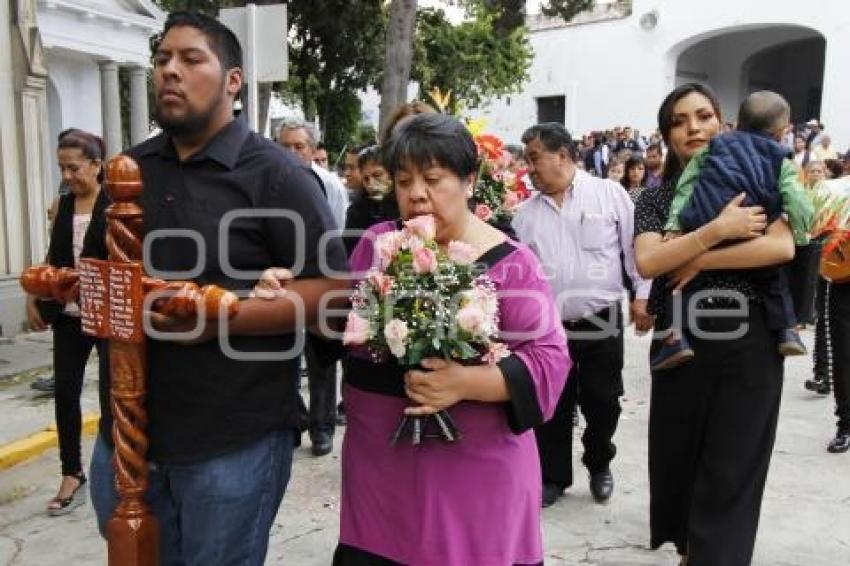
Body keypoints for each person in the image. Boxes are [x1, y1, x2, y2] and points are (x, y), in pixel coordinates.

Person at [93, 12, 349, 564]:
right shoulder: (126, 171)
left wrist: (222, 316)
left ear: (233, 81)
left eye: (190, 59)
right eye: (162, 59)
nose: (169, 72)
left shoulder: (275, 175)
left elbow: (333, 288)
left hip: (234, 439)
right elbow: (94, 275)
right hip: (126, 437)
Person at [327, 113, 570, 565]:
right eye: (403, 181)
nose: (416, 193)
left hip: (475, 480)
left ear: (470, 180)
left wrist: (464, 382)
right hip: (380, 473)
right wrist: (279, 288)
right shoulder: (378, 245)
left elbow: (550, 362)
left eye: (433, 179)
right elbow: (342, 324)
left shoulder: (513, 264)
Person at [634, 83, 795, 565]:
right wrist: (717, 231)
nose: (693, 128)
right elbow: (649, 262)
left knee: (732, 470)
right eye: (679, 121)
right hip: (679, 343)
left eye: (703, 116)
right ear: (666, 135)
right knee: (679, 463)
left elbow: (781, 247)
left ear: (722, 122)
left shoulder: (760, 173)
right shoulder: (655, 198)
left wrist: (698, 258)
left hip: (751, 341)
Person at [513, 122, 653, 508]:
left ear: (562, 155)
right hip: (548, 326)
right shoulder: (524, 216)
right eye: (526, 161)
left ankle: (599, 463)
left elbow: (634, 250)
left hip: (601, 317)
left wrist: (643, 295)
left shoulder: (609, 195)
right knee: (553, 403)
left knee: (603, 399)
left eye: (535, 159)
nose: (529, 169)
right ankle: (553, 476)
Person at [651, 91, 813, 370]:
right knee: (772, 280)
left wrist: (676, 225)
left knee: (681, 284)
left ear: (735, 122)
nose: (694, 128)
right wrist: (802, 232)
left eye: (704, 116)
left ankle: (675, 338)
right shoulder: (781, 160)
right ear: (783, 131)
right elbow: (797, 201)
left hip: (700, 218)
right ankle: (787, 329)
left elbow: (686, 185)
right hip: (753, 223)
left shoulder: (716, 146)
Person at [24, 129, 110, 516]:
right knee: (65, 394)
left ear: (96, 165)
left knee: (114, 396)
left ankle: (115, 469)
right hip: (68, 317)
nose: (67, 176)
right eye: (62, 168)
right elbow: (51, 255)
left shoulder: (117, 204)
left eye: (73, 167)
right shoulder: (61, 205)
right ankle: (71, 471)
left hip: (108, 315)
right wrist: (33, 297)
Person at [278, 119, 351, 456]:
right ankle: (294, 419)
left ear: (312, 148)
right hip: (281, 282)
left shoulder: (330, 185)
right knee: (282, 356)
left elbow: (338, 232)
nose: (292, 153)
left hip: (321, 280)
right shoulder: (271, 182)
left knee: (321, 359)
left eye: (299, 146)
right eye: (286, 146)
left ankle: (322, 428)